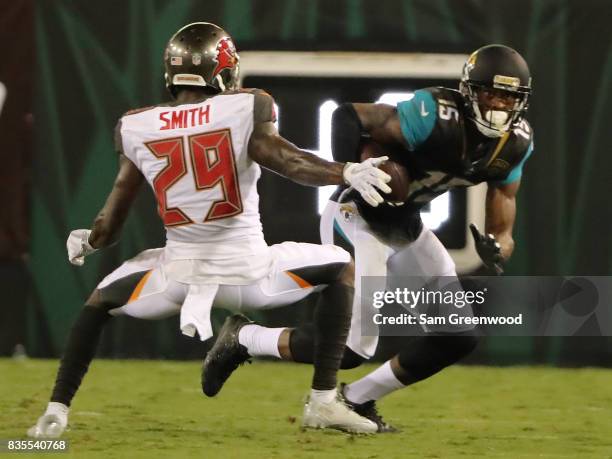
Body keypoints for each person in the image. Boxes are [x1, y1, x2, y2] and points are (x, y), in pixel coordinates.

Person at [27, 22, 394, 438]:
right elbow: (286, 161)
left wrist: (88, 239)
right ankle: (324, 401)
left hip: (176, 280)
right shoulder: (244, 106)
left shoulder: (136, 125)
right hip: (253, 276)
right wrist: (343, 170)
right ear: (224, 70)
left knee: (97, 304)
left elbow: (110, 226)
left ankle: (56, 411)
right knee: (340, 266)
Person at [202, 44, 534, 432]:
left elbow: (504, 216)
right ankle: (246, 337)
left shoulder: (515, 145)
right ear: (468, 92)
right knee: (353, 348)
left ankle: (356, 399)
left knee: (456, 335)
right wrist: (353, 171)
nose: (497, 105)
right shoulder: (435, 116)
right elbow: (348, 116)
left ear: (520, 102)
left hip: (406, 225)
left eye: (508, 97)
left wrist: (499, 246)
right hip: (356, 215)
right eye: (490, 93)